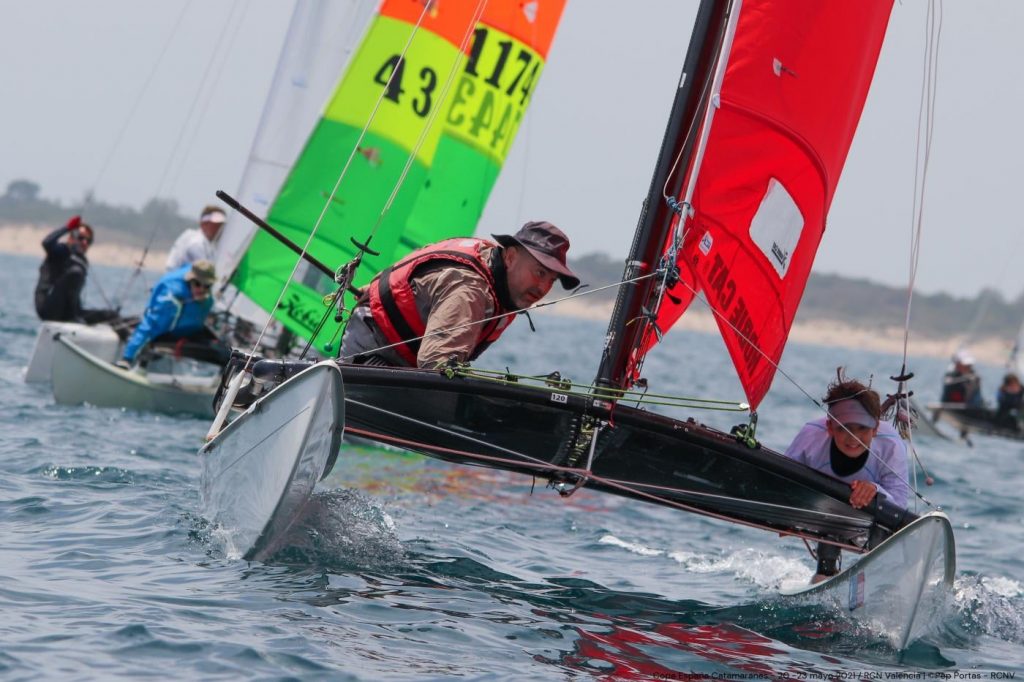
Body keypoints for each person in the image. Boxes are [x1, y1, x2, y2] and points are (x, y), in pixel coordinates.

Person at [339, 220, 580, 368]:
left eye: (552, 280)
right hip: (371, 354)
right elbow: (437, 365)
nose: (543, 288)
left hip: (399, 359)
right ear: (510, 256)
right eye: (539, 272)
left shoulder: (498, 276)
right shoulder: (470, 291)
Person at [784, 370, 910, 583]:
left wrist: (875, 491)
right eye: (844, 428)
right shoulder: (810, 436)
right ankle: (825, 572)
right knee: (830, 517)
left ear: (876, 429)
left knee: (883, 526)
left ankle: (876, 578)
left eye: (862, 428)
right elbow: (784, 482)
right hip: (826, 512)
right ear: (830, 427)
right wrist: (786, 516)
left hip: (874, 520)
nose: (853, 438)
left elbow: (900, 503)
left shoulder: (890, 445)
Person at [118, 260, 229, 368]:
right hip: (166, 334)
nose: (202, 289)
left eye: (207, 286)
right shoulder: (171, 298)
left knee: (224, 352)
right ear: (190, 280)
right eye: (198, 284)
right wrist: (127, 358)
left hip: (191, 331)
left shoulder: (207, 296)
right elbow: (150, 325)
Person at [34, 215, 119, 323]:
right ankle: (74, 319)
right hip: (47, 308)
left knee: (111, 315)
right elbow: (46, 243)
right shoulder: (62, 250)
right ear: (71, 238)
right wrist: (68, 227)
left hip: (69, 312)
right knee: (76, 272)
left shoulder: (81, 260)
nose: (84, 243)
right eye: (81, 238)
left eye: (88, 240)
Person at [164, 204, 226, 271]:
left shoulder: (208, 243)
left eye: (221, 225)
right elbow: (207, 270)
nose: (220, 228)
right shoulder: (196, 242)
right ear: (203, 224)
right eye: (215, 225)